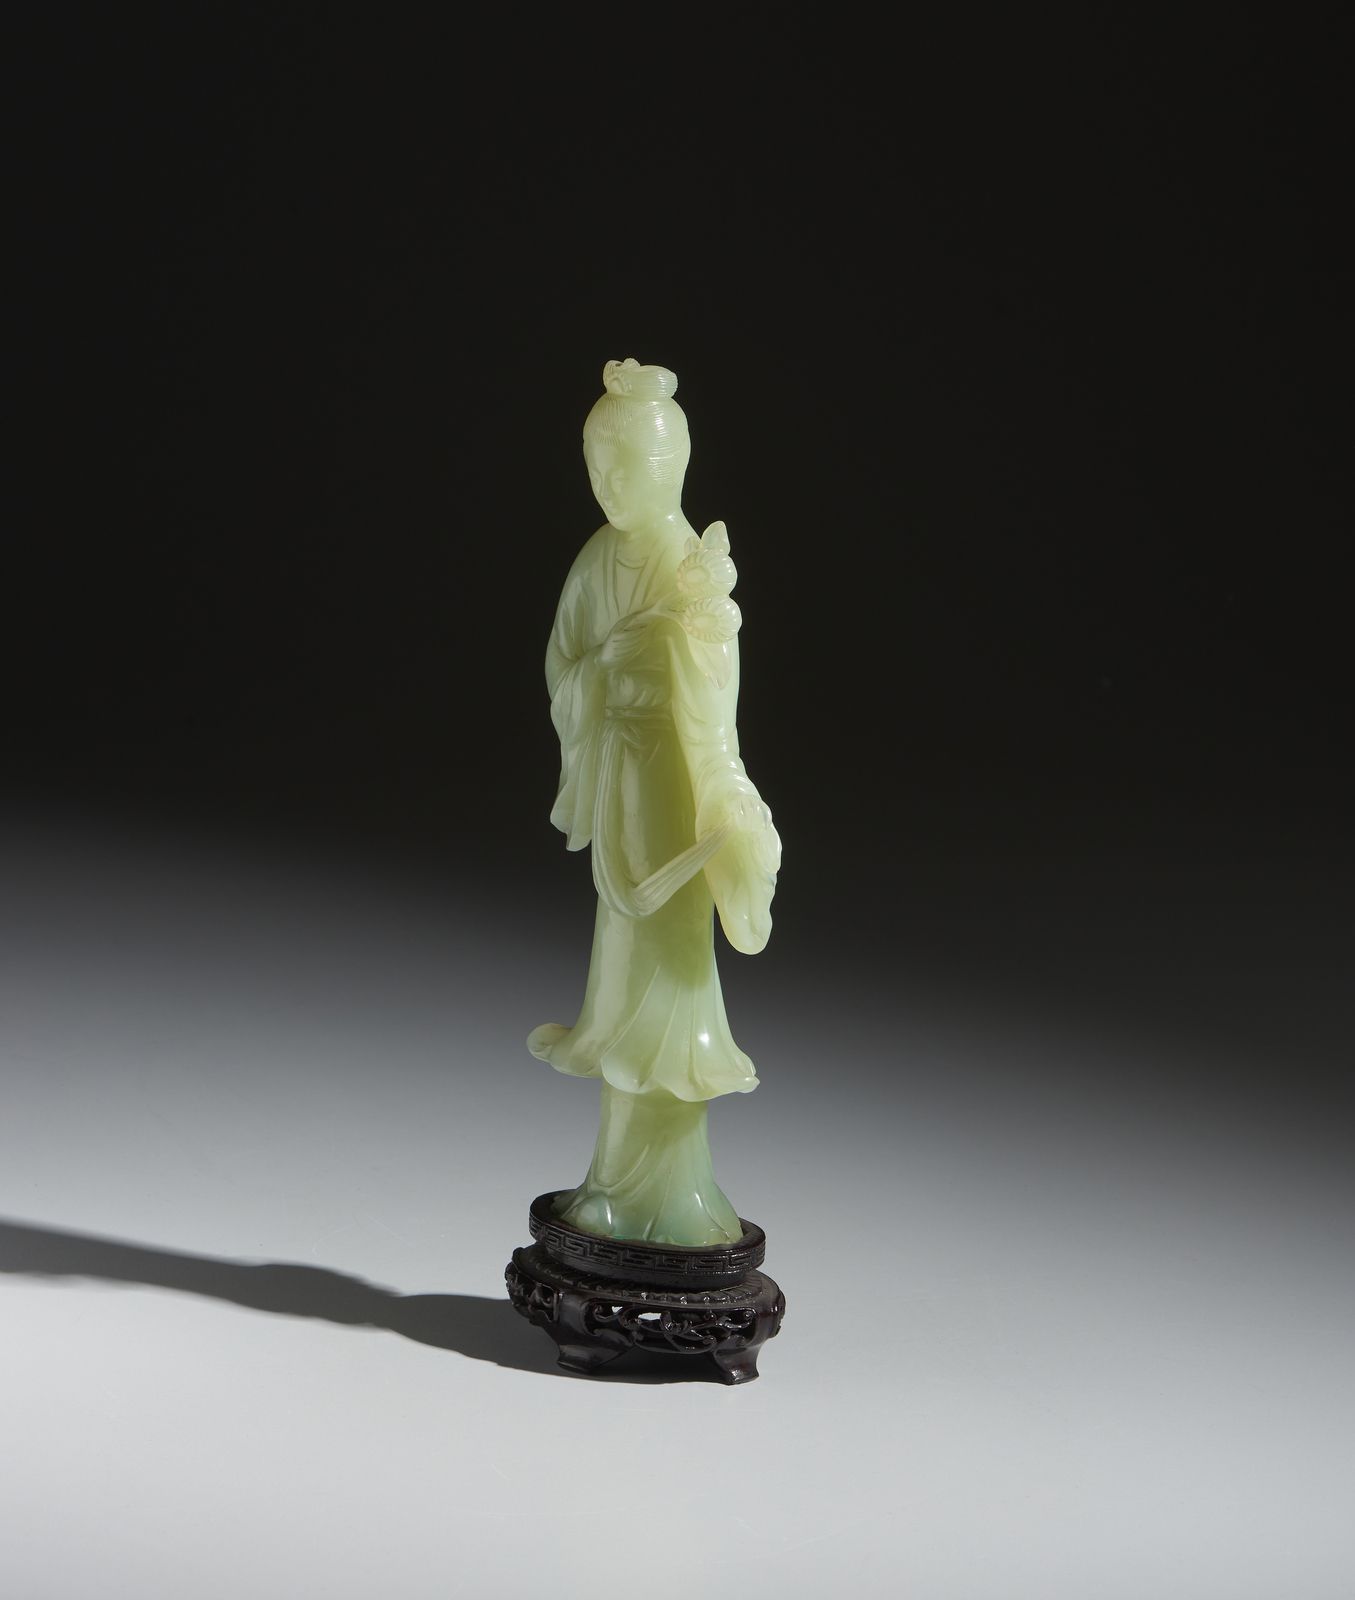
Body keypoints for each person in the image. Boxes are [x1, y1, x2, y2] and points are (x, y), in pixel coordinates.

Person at [527, 358, 781, 1247]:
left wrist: (727, 800)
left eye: (624, 469)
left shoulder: (688, 567)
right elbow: (562, 667)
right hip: (621, 785)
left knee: (669, 988)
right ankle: (615, 1187)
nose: (605, 485)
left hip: (674, 794)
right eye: (594, 466)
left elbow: (714, 708)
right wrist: (600, 672)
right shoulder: (598, 558)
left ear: (670, 469)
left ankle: (674, 1201)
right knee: (620, 981)